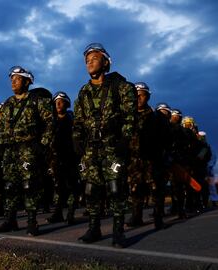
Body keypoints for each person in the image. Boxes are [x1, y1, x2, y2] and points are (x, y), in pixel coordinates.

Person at [73, 43, 136, 247]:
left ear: (106, 62)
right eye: (87, 60)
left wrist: (124, 141)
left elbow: (130, 117)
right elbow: (78, 121)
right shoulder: (83, 92)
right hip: (91, 148)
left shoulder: (122, 87)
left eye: (94, 58)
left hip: (112, 145)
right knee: (91, 190)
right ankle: (94, 228)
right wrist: (77, 140)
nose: (89, 62)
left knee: (116, 189)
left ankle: (118, 232)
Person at [0, 66, 54, 236]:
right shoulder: (8, 103)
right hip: (10, 152)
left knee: (30, 186)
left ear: (27, 82)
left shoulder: (37, 101)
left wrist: (42, 145)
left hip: (29, 150)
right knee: (9, 186)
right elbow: (4, 127)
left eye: (17, 78)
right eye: (12, 78)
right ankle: (10, 220)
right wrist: (1, 147)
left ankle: (31, 221)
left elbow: (50, 124)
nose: (13, 81)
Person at [127, 82, 170, 229]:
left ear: (148, 97)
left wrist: (161, 155)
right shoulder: (127, 116)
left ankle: (158, 218)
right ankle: (136, 217)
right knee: (135, 189)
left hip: (153, 159)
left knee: (156, 189)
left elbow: (165, 139)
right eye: (135, 96)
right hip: (134, 161)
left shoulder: (156, 116)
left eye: (142, 95)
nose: (138, 98)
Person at [47, 91, 79, 225]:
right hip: (55, 159)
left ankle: (70, 214)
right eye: (56, 102)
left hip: (71, 158)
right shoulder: (51, 122)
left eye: (61, 102)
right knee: (58, 187)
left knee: (71, 186)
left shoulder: (72, 121)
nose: (58, 104)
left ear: (67, 104)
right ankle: (58, 213)